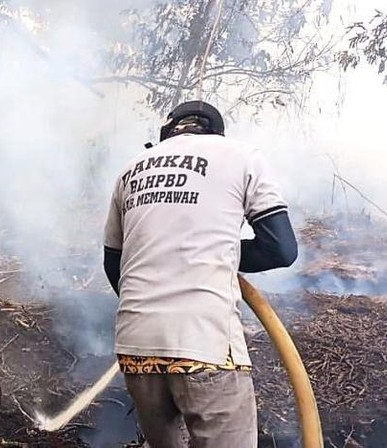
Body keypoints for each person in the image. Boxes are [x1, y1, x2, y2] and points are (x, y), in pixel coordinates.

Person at [102, 101, 298, 448]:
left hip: (136, 347)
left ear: (167, 133)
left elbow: (114, 263)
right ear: (215, 132)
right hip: (205, 343)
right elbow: (281, 249)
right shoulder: (242, 157)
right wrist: (210, 254)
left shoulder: (130, 170)